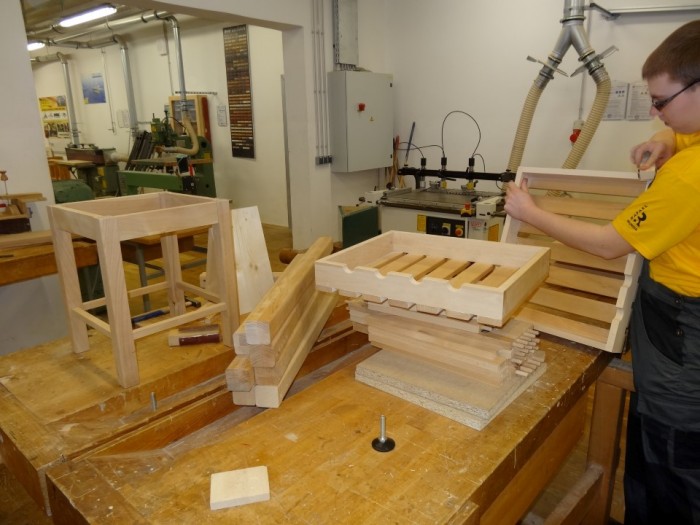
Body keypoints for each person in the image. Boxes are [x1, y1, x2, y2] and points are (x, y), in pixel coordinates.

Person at [504, 19, 700, 525]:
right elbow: (681, 134)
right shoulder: (689, 142)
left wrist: (530, 213)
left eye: (662, 102)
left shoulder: (690, 177)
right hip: (673, 315)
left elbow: (609, 245)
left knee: (673, 456)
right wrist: (666, 137)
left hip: (684, 329)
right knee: (651, 437)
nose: (655, 112)